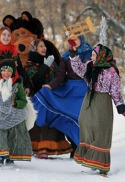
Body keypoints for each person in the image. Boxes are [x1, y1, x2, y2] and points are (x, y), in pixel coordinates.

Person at [32, 34, 93, 158]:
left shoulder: (90, 53)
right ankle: (77, 149)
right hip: (70, 90)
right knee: (69, 116)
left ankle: (84, 149)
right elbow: (60, 76)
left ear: (80, 39)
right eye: (70, 40)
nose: (72, 41)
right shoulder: (65, 56)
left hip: (84, 89)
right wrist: (50, 86)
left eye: (75, 39)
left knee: (81, 119)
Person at [70, 44, 125, 176]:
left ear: (102, 56)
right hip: (89, 100)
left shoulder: (111, 71)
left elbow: (116, 92)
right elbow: (78, 68)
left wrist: (121, 108)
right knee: (85, 124)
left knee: (101, 130)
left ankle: (102, 166)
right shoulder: (91, 67)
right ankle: (91, 159)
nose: (92, 57)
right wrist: (73, 53)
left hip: (103, 102)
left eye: (94, 55)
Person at [25, 39, 72, 159]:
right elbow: (35, 81)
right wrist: (45, 66)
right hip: (37, 97)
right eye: (40, 46)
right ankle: (37, 148)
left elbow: (59, 77)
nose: (44, 48)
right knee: (39, 121)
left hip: (52, 96)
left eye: (44, 46)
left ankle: (48, 148)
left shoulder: (52, 63)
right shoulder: (29, 64)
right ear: (34, 49)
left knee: (52, 120)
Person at [0, 57, 32, 167]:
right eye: (4, 70)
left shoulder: (17, 86)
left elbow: (23, 101)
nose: (6, 73)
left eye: (9, 70)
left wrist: (15, 104)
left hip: (12, 116)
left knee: (12, 135)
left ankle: (10, 155)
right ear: (0, 72)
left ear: (13, 72)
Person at [0, 26, 31, 95]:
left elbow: (21, 70)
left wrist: (27, 85)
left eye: (9, 35)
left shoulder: (15, 52)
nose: (6, 37)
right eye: (4, 34)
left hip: (14, 90)